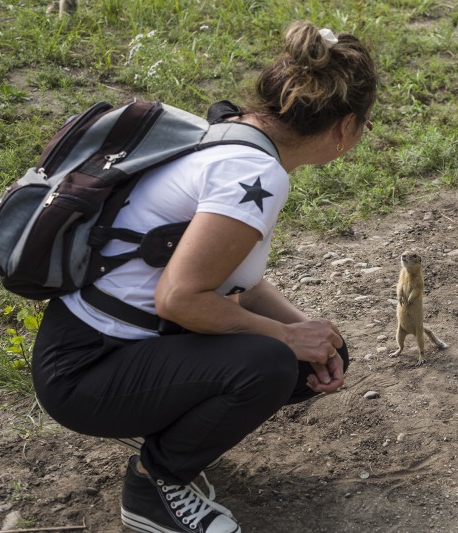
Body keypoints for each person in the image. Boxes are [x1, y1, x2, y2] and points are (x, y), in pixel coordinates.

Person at [31, 21, 378, 533]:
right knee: (269, 362)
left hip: (109, 345)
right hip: (85, 368)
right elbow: (180, 299)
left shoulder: (231, 136)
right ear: (345, 127)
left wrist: (314, 335)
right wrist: (287, 337)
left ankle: (164, 432)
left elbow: (237, 281)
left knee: (314, 355)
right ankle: (154, 486)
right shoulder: (255, 175)